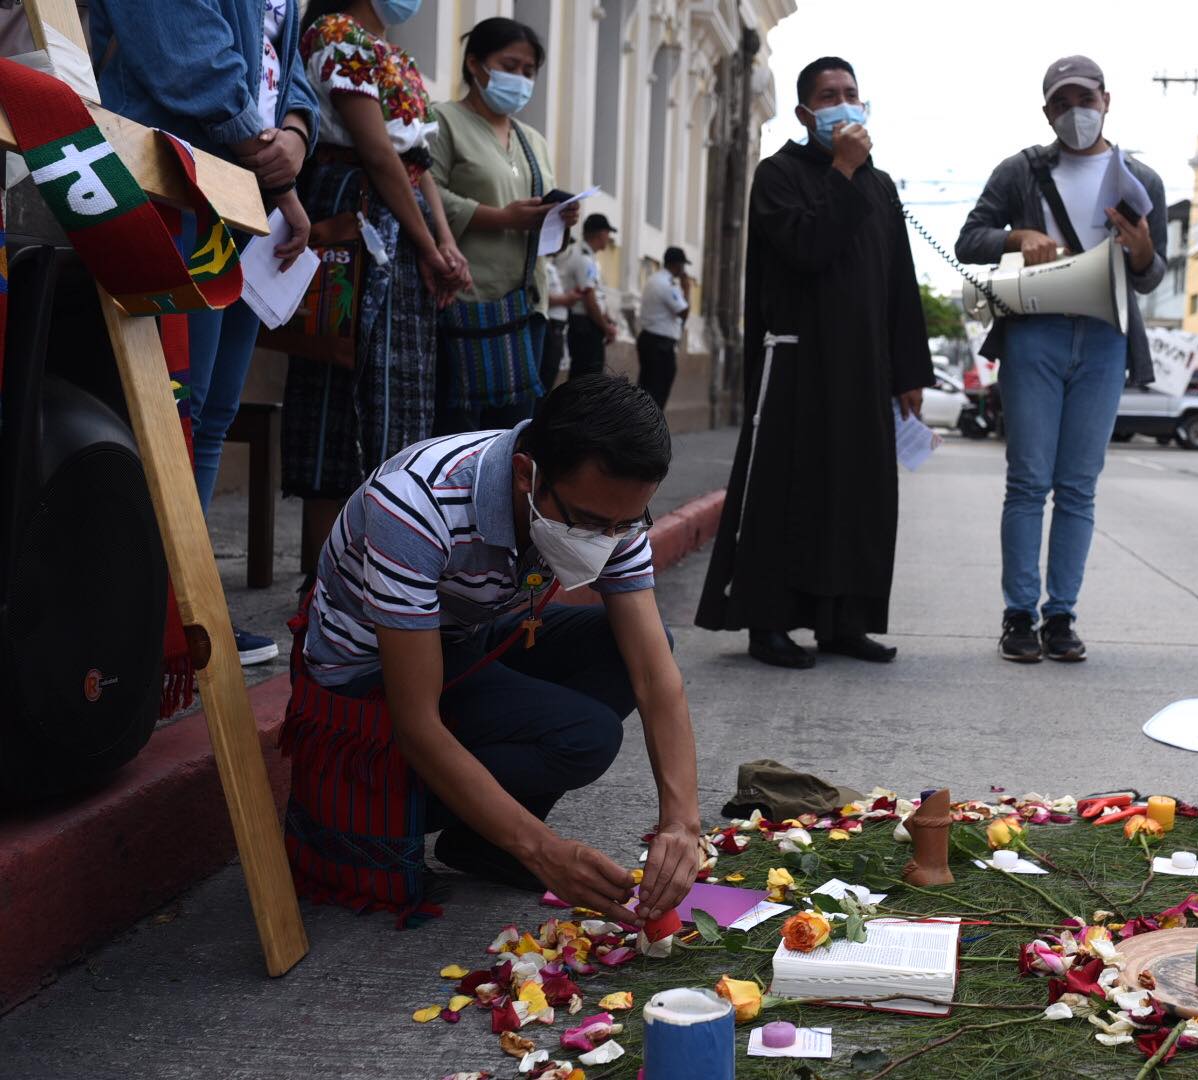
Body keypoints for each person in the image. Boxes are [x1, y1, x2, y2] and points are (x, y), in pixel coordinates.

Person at [292, 375, 701, 919]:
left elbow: (655, 675)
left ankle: (481, 843)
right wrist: (544, 852)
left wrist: (681, 823)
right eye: (590, 523)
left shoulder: (610, 514)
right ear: (526, 474)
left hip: (463, 639)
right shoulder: (416, 504)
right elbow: (417, 721)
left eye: (626, 524)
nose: (609, 540)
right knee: (584, 736)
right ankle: (408, 813)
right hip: (368, 677)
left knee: (631, 651)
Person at [89, 0, 321, 666]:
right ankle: (140, 616)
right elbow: (184, 54)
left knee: (212, 414)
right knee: (168, 408)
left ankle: (186, 606)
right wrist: (269, 158)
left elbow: (289, 60)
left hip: (243, 200)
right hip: (172, 184)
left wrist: (297, 137)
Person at [695, 57, 932, 669]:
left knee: (860, 497)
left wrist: (909, 372)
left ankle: (844, 622)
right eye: (831, 95)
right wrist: (844, 170)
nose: (845, 103)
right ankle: (769, 622)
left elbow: (899, 284)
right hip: (798, 364)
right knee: (788, 493)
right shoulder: (778, 175)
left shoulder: (879, 186)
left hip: (865, 369)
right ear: (806, 114)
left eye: (852, 92)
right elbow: (805, 248)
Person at [955, 54, 1166, 665]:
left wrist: (1145, 249)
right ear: (1047, 110)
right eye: (1062, 103)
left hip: (1105, 339)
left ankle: (1061, 615)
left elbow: (1152, 278)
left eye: (1086, 99)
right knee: (1028, 480)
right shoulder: (1020, 170)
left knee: (1078, 486)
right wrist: (1016, 237)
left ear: (1107, 99)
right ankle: (1018, 614)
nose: (1076, 112)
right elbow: (972, 238)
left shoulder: (1141, 179)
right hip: (1034, 333)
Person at [281, 0, 470, 591]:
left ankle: (383, 571)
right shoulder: (336, 36)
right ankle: (324, 581)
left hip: (400, 231)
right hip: (357, 226)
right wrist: (428, 243)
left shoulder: (397, 57)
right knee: (339, 391)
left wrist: (443, 243)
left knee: (399, 403)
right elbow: (378, 154)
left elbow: (417, 166)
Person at [429, 16, 580, 435]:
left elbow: (548, 236)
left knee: (511, 437)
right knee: (457, 433)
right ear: (475, 65)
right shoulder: (442, 121)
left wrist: (559, 219)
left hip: (526, 307)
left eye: (528, 72)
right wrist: (500, 217)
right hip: (466, 302)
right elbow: (425, 192)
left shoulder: (534, 141)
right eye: (509, 66)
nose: (520, 79)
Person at [555, 212, 619, 379]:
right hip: (584, 326)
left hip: (588, 324)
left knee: (588, 377)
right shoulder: (583, 258)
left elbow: (596, 297)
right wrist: (605, 328)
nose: (609, 238)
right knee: (587, 379)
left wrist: (607, 321)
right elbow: (589, 301)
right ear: (600, 233)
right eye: (608, 233)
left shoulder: (587, 256)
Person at [636, 246, 691, 409]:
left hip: (650, 340)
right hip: (660, 345)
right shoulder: (667, 285)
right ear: (678, 265)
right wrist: (686, 289)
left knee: (646, 389)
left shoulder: (655, 279)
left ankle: (641, 428)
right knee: (657, 391)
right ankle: (650, 430)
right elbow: (684, 312)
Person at [540, 254, 581, 391]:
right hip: (549, 325)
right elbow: (541, 296)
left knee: (550, 375)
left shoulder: (551, 265)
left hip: (557, 328)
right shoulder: (541, 264)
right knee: (545, 377)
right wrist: (566, 299)